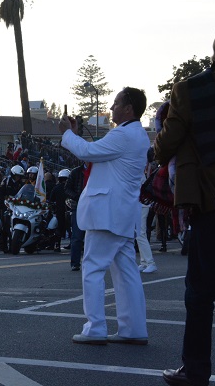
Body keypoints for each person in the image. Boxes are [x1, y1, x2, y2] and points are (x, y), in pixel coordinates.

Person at [157, 25, 215, 386]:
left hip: (213, 202)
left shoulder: (190, 89)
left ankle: (195, 372)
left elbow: (165, 146)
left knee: (201, 295)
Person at [58, 87, 150, 346]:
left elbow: (87, 153)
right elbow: (94, 151)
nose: (111, 108)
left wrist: (66, 133)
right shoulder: (137, 135)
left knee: (93, 268)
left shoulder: (123, 135)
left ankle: (95, 327)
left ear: (129, 108)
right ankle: (133, 328)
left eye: (116, 103)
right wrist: (74, 135)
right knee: (126, 271)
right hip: (120, 213)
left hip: (106, 213)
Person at [0, 165, 24, 252]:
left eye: (19, 176)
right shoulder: (6, 181)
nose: (18, 178)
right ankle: (3, 245)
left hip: (18, 207)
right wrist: (2, 201)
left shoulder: (21, 184)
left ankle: (14, 244)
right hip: (6, 206)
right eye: (16, 176)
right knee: (5, 226)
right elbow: (0, 193)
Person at [64, 163, 88, 271]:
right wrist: (77, 197)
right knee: (77, 236)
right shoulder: (76, 172)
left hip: (93, 206)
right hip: (78, 206)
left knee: (92, 237)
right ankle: (75, 263)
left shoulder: (98, 171)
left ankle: (90, 262)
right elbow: (67, 188)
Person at [49, 169, 70, 253]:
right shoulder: (70, 188)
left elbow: (51, 199)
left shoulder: (56, 188)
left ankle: (57, 245)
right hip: (69, 211)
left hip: (59, 211)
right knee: (71, 228)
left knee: (58, 228)